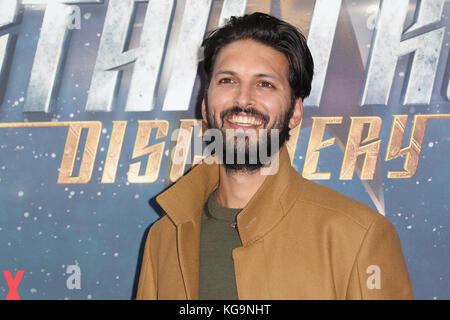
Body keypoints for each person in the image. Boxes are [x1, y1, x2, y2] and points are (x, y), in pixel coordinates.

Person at [136, 12, 413, 300]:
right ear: (205, 106)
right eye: (227, 80)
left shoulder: (358, 235)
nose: (243, 100)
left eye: (265, 84)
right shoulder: (165, 236)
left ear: (295, 112)